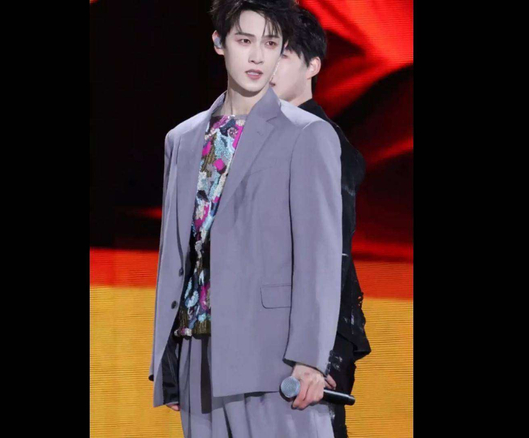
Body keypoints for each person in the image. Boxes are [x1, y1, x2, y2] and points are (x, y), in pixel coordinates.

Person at [148, 0, 343, 436]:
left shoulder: (307, 134)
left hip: (272, 357)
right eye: (244, 40)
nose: (257, 56)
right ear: (219, 43)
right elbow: (176, 253)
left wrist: (310, 357)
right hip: (197, 351)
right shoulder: (182, 139)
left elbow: (319, 256)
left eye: (270, 44)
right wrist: (166, 357)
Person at [269, 6, 372, 438]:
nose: (265, 64)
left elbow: (330, 256)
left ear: (313, 65)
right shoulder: (243, 136)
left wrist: (320, 357)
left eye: (282, 53)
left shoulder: (324, 141)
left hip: (311, 351)